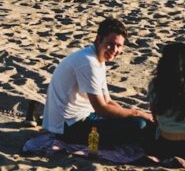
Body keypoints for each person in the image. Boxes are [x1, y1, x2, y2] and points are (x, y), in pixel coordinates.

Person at [42, 18, 153, 147]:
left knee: (138, 121)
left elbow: (108, 101)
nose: (114, 49)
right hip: (67, 128)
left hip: (82, 117)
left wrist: (133, 115)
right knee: (139, 125)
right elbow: (101, 108)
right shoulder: (88, 62)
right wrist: (137, 113)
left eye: (119, 46)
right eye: (110, 44)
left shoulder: (97, 59)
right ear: (98, 39)